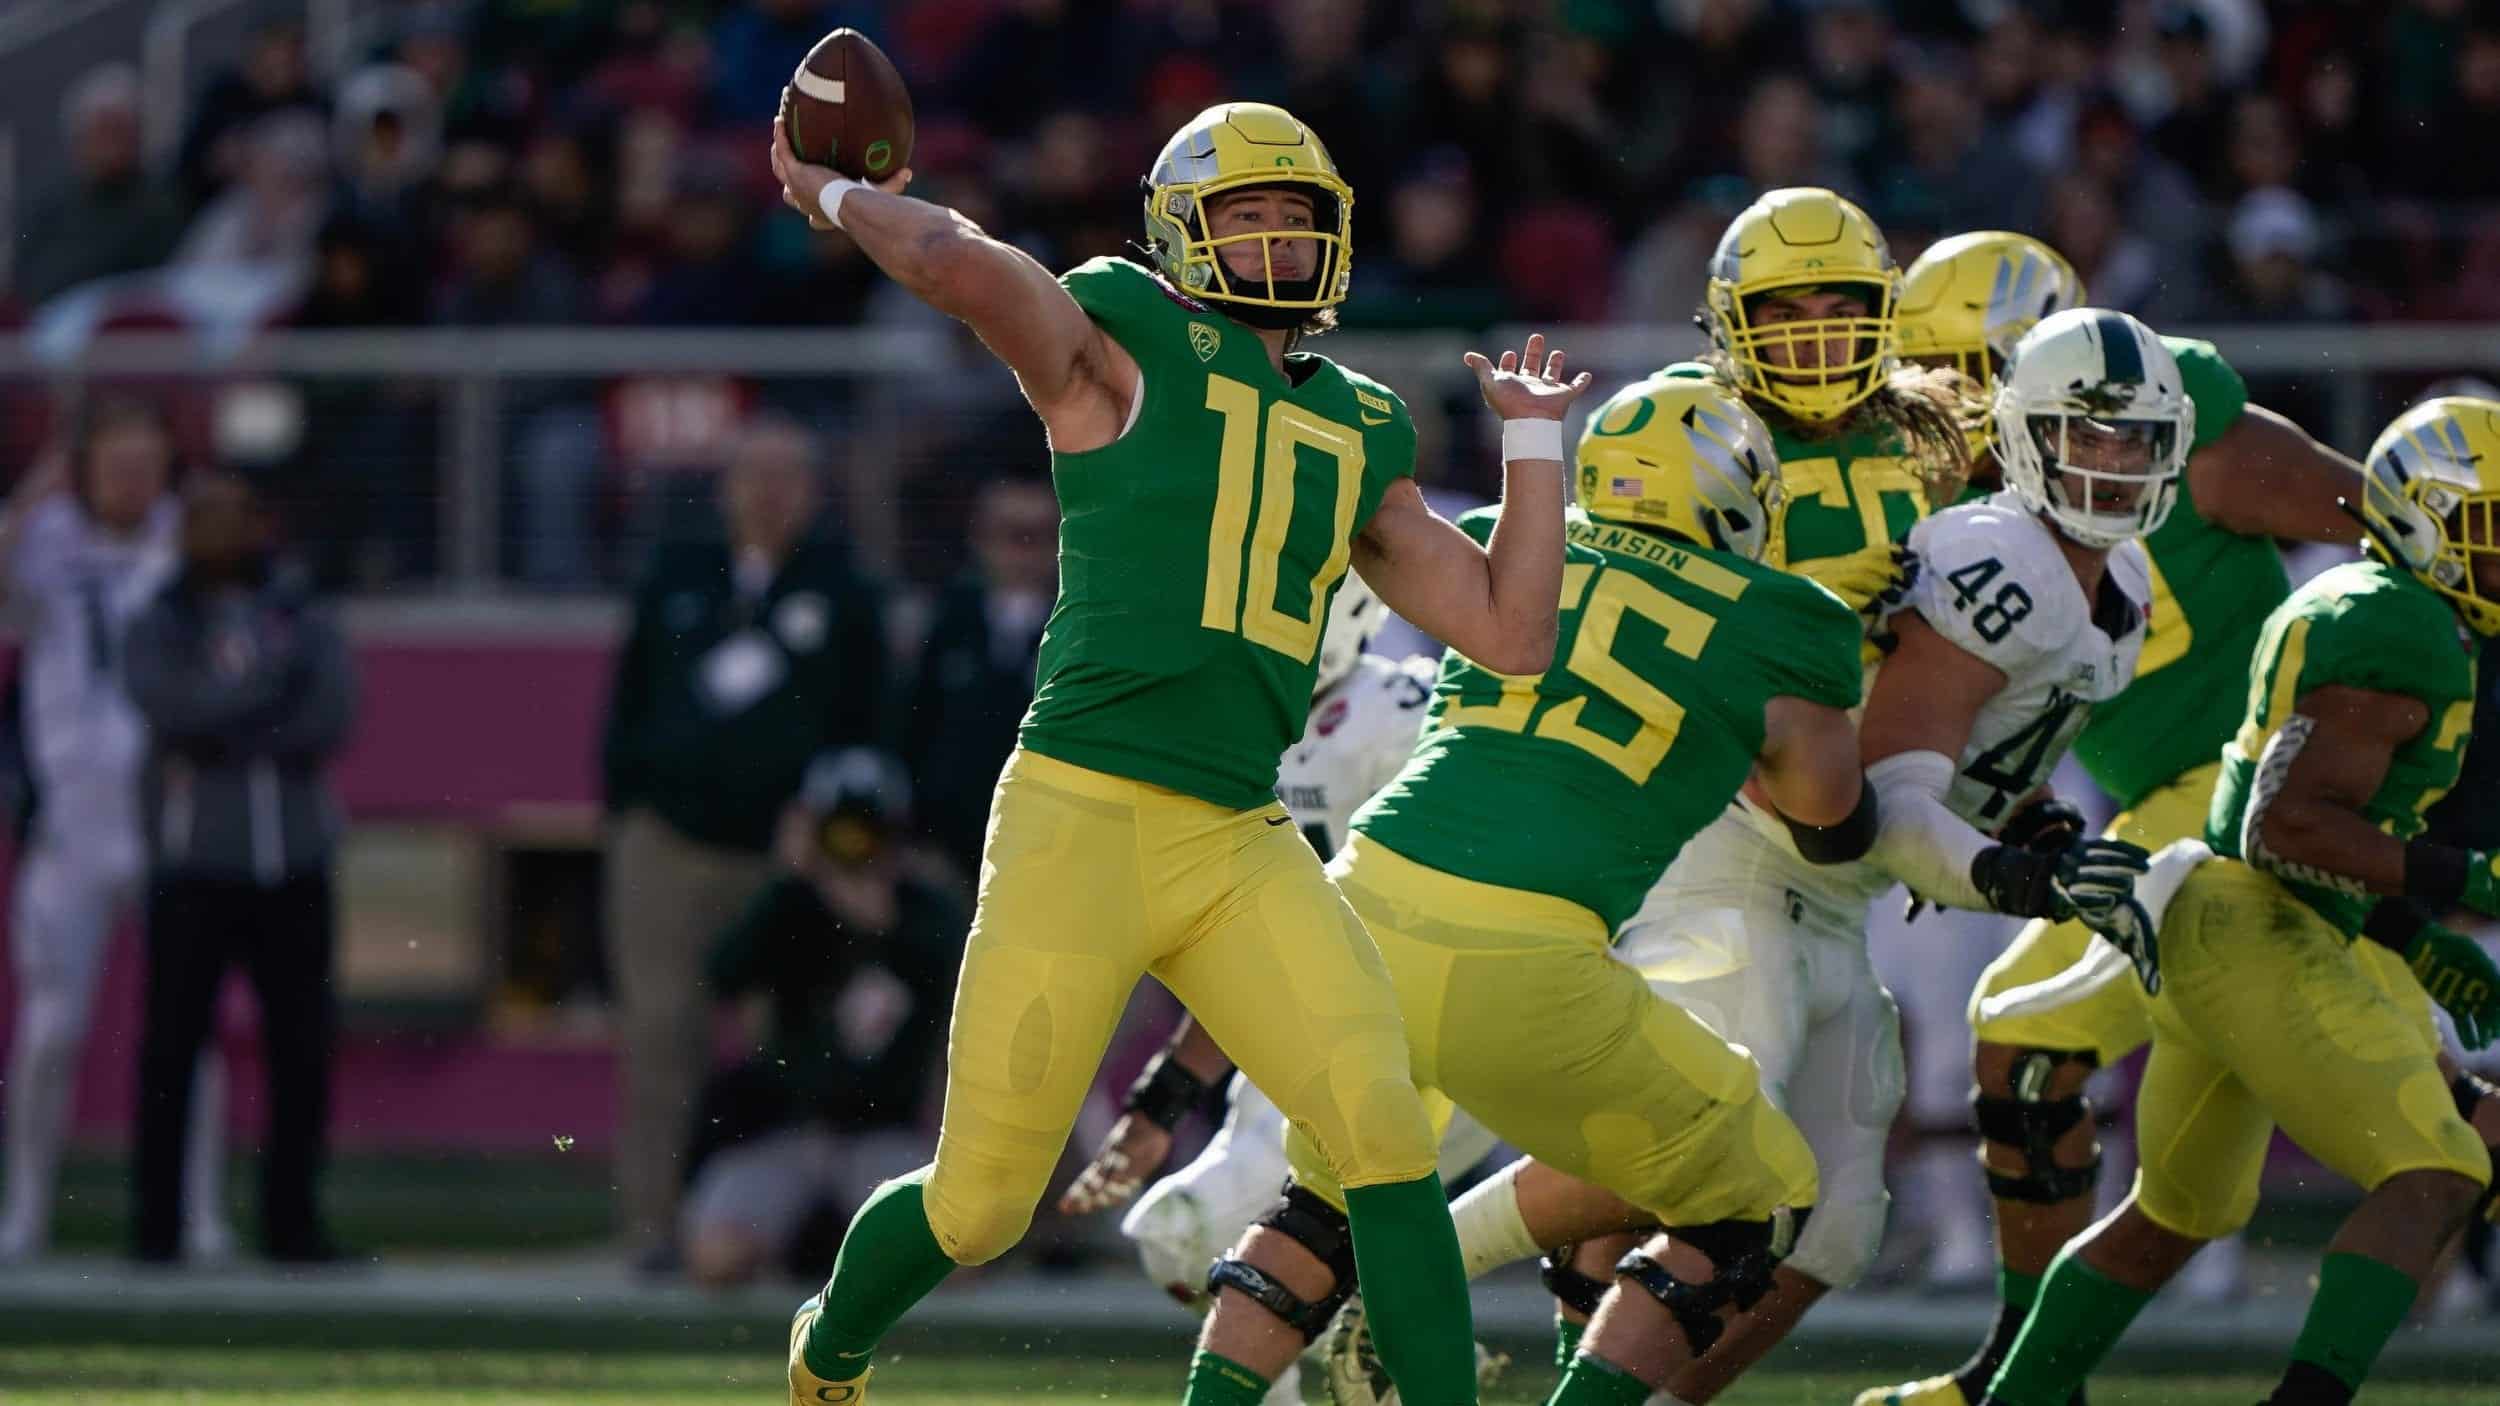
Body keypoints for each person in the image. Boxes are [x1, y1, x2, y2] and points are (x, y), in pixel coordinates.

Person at [768, 97, 1585, 1406]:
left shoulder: (1366, 419)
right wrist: (834, 195)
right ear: (1178, 233)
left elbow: (1512, 627)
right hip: (1081, 812)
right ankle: (828, 1352)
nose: (1271, 240)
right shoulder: (1123, 333)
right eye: (1243, 215)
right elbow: (954, 262)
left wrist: (1536, 442)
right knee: (980, 1206)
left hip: (1234, 830)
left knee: (1383, 1128)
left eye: (1292, 217)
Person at [1427, 309, 2180, 1406]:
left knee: (1829, 1227)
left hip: (1830, 892)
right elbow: (1896, 785)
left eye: (2132, 440)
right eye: (2085, 435)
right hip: (1755, 857)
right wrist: (2009, 874)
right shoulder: (1995, 558)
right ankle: (1382, 1264)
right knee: (1691, 1151)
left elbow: (1973, 759)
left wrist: (2025, 823)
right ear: (2022, 434)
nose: (2108, 464)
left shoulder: (2125, 590)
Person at [1187, 372, 1876, 1406]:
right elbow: (1828, 821)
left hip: (1357, 896)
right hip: (1521, 944)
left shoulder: (1512, 540)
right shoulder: (1789, 619)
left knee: (1325, 1200)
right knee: (1755, 1194)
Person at [1862, 235, 2383, 1406]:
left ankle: (2017, 1373)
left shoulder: (2178, 425)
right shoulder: (1983, 524)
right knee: (2183, 1168)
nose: (1935, 408)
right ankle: (2025, 1371)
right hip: (2164, 803)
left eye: (1956, 374)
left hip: (2252, 792)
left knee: (2020, 1027)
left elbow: (2401, 527)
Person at [1960, 395, 2500, 1406]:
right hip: (2259, 926)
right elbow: (2285, 826)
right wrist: (2464, 882)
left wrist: (2404, 932)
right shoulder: (2400, 623)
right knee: (2439, 1168)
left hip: (2215, 922)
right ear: (2427, 517)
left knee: (2175, 1211)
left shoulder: (2370, 601)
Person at [1056, 573, 1492, 1406]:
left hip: (1418, 1026)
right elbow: (1248, 935)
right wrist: (1163, 1101)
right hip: (1303, 1026)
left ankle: (1386, 1314)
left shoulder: (1401, 710)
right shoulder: (1234, 721)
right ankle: (1371, 1325)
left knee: (1194, 1233)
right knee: (1180, 1240)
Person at [599, 413, 886, 1267]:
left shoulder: (845, 591)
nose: (769, 492)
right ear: (726, 488)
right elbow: (630, 704)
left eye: (788, 475)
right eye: (753, 474)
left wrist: (836, 841)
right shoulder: (677, 575)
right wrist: (631, 811)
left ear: (813, 491)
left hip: (784, 855)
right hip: (673, 846)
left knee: (786, 1045)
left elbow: (867, 725)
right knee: (661, 1041)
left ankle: (767, 1234)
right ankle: (650, 1230)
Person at [0, 399, 233, 1263]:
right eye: (116, 465)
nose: (133, 482)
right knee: (51, 1027)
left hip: (169, 821)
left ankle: (200, 1215)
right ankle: (24, 1212)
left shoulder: (188, 539)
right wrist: (30, 498)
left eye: (147, 464)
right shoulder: (46, 539)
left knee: (192, 1028)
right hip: (71, 824)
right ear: (84, 468)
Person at [123, 469, 356, 1263]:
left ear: (263, 524)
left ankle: (293, 1226)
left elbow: (329, 717)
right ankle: (157, 1228)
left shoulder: (302, 611)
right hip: (195, 865)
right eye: (202, 517)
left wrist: (225, 727)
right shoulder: (160, 618)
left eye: (234, 516)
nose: (220, 532)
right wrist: (264, 691)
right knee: (171, 1049)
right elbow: (166, 706)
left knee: (301, 1051)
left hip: (293, 861)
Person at [679, 748, 966, 1290]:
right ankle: (811, 1250)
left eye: (868, 828)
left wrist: (881, 924)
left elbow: (956, 974)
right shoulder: (791, 903)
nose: (855, 844)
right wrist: (792, 880)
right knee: (714, 1259)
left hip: (885, 1137)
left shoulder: (927, 911)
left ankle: (843, 1248)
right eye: (839, 828)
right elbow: (721, 974)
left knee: (954, 1267)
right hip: (791, 1130)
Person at [898, 473, 1058, 877]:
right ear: (981, 538)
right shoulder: (949, 622)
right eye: (1009, 533)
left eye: (1035, 535)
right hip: (950, 847)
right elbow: (914, 727)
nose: (1022, 550)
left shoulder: (1082, 629)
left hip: (1048, 852)